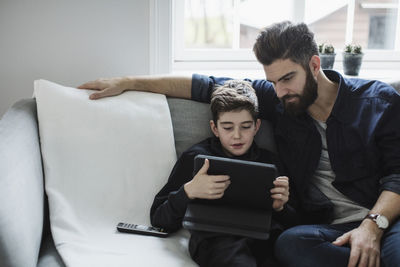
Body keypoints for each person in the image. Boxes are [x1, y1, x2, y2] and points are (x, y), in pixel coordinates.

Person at [78, 21, 400, 267]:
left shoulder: (379, 102)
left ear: (315, 65)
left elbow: (398, 175)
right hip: (327, 230)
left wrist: (373, 227)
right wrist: (129, 82)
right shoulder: (281, 100)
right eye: (272, 82)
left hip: (385, 220)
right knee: (289, 245)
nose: (279, 91)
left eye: (287, 79)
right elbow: (203, 86)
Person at [149, 80, 291, 267]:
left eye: (246, 126)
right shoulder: (196, 157)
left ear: (257, 126)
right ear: (215, 128)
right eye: (228, 127)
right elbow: (159, 218)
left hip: (264, 237)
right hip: (216, 239)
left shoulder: (269, 161)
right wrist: (189, 191)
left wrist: (282, 207)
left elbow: (296, 221)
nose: (237, 135)